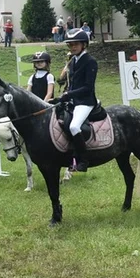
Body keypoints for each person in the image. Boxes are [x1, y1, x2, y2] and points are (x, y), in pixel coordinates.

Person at [58, 28, 98, 172]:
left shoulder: (90, 61)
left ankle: (83, 160)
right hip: (73, 100)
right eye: (70, 45)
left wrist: (69, 94)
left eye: (75, 44)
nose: (72, 47)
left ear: (84, 45)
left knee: (74, 126)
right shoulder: (73, 61)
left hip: (85, 101)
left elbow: (88, 87)